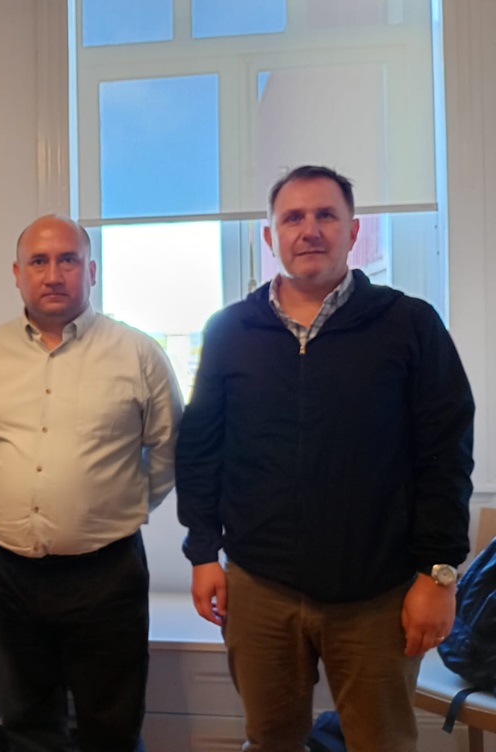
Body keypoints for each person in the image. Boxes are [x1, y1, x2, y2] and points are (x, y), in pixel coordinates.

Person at [176, 165, 475, 751]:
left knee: (381, 744)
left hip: (379, 593)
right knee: (269, 740)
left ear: (353, 230)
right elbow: (201, 447)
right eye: (293, 217)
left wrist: (438, 574)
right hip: (259, 587)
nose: (309, 229)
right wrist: (202, 551)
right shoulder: (230, 330)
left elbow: (446, 453)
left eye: (325, 215)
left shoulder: (409, 324)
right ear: (270, 237)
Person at [0, 214, 185, 751]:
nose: (53, 273)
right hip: (7, 569)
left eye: (68, 260)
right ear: (17, 273)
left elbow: (169, 449)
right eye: (39, 261)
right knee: (26, 724)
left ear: (92, 271)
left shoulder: (138, 353)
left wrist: (113, 505)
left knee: (111, 727)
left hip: (105, 571)